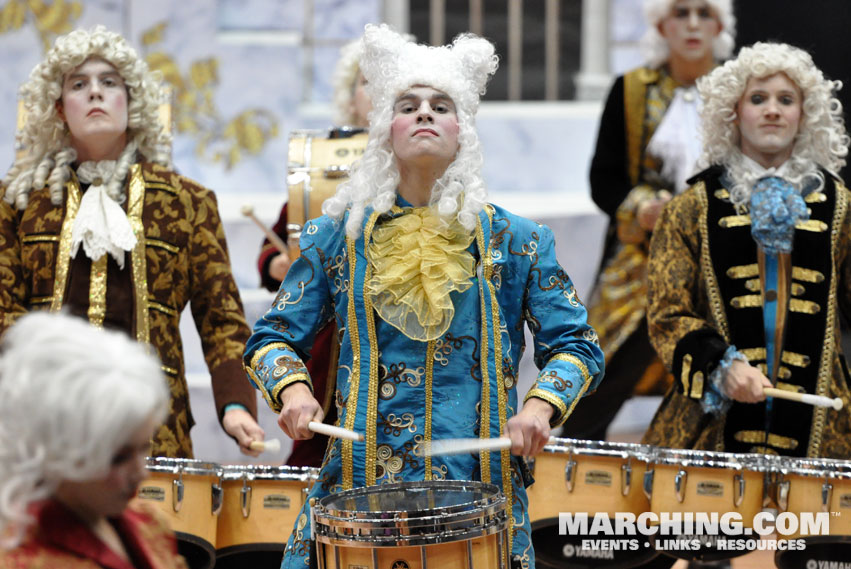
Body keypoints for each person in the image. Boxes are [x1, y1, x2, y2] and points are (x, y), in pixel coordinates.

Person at [244, 24, 604, 568]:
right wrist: (293, 391)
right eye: (408, 105)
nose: (425, 113)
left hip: (482, 496)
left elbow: (577, 346)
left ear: (464, 131)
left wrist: (539, 407)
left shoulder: (521, 241)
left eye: (441, 105)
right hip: (357, 493)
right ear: (386, 129)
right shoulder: (334, 238)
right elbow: (272, 340)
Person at [0, 26, 263, 459]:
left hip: (154, 433)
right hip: (43, 429)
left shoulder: (189, 202)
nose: (95, 94)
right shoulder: (19, 202)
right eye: (78, 85)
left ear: (132, 100)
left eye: (109, 82)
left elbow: (222, 321)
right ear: (60, 108)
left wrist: (235, 404)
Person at [643, 41, 851, 459]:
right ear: (733, 113)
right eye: (758, 99)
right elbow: (667, 313)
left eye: (786, 100)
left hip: (820, 427)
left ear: (804, 114)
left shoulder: (842, 206)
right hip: (710, 423)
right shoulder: (688, 209)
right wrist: (721, 365)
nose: (772, 110)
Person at [564, 0, 736, 440]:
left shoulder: (741, 90)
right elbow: (603, 179)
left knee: (719, 372)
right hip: (643, 257)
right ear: (661, 23)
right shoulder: (632, 89)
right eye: (681, 13)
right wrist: (640, 207)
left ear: (720, 23)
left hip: (723, 257)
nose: (693, 24)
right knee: (606, 363)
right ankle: (574, 473)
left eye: (704, 13)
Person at [255, 38, 374, 467]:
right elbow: (274, 240)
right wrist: (278, 263)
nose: (377, 91)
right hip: (330, 338)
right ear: (349, 97)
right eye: (366, 82)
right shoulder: (325, 166)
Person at [0, 312, 187, 568]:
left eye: (144, 448)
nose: (142, 474)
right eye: (118, 458)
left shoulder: (150, 525)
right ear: (59, 450)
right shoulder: (25, 559)